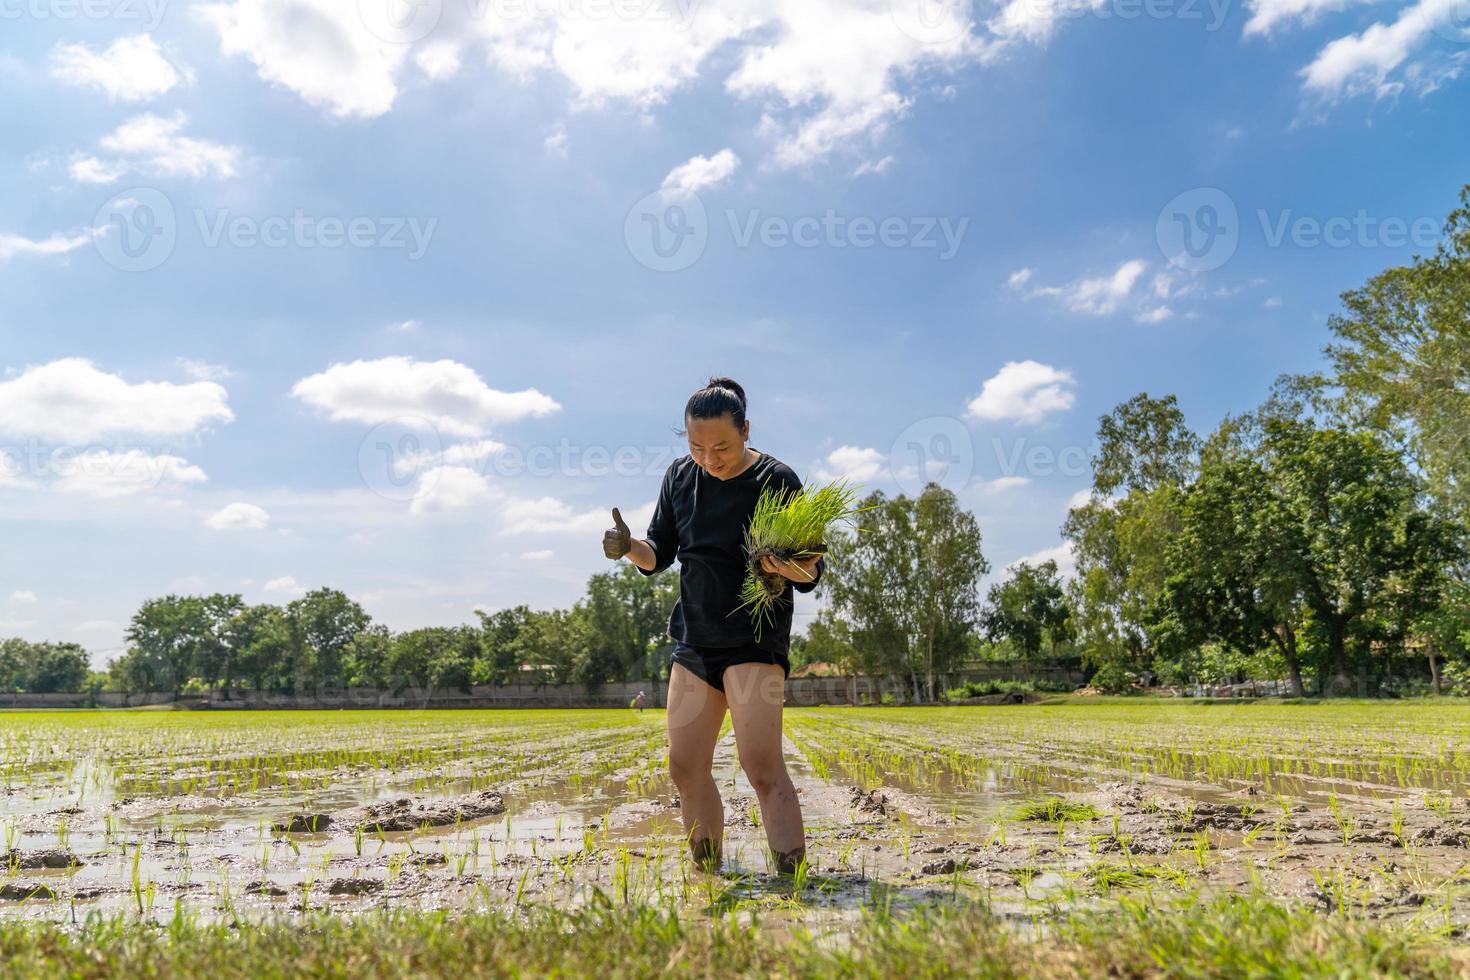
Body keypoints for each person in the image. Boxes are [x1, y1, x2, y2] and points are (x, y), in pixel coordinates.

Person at [602, 376, 821, 876]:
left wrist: (778, 566)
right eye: (697, 446)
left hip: (753, 642)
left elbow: (810, 572)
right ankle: (708, 874)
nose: (709, 457)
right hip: (695, 641)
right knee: (684, 767)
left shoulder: (778, 480)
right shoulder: (681, 477)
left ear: (746, 430)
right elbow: (658, 553)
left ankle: (793, 881)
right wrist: (628, 546)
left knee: (761, 767)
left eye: (721, 446)